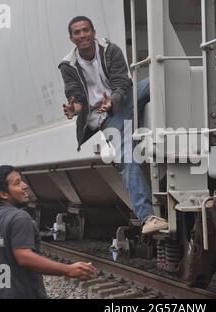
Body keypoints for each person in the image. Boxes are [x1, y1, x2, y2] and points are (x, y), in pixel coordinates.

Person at [58, 16, 168, 234]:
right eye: (77, 33)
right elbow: (76, 94)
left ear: (93, 31)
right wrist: (76, 109)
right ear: (71, 38)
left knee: (159, 78)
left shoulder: (110, 50)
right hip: (105, 116)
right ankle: (148, 218)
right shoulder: (68, 65)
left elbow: (121, 81)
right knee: (127, 158)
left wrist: (114, 99)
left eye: (86, 30)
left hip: (121, 99)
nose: (82, 35)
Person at [0, 165, 97, 299]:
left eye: (22, 181)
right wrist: (68, 269)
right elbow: (24, 257)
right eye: (17, 183)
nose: (25, 185)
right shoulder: (19, 217)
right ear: (4, 194)